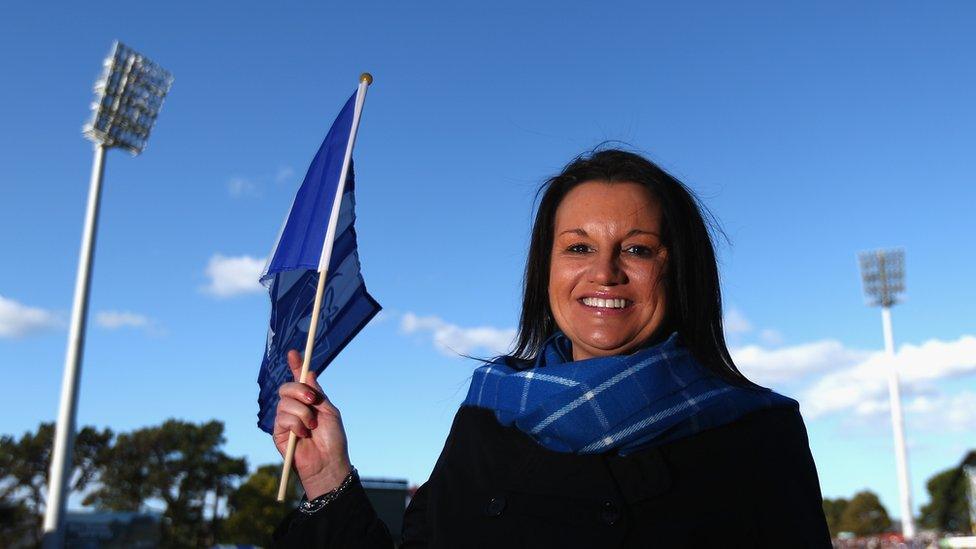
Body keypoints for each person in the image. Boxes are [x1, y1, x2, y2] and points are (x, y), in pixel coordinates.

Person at [271, 149, 832, 548]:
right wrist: (328, 479)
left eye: (637, 249)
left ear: (680, 271)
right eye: (578, 247)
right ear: (547, 269)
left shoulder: (756, 433)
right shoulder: (486, 419)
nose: (604, 273)